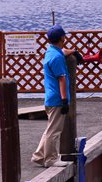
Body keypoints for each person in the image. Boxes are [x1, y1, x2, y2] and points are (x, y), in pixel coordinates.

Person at [31, 25, 72, 168]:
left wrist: (74, 52)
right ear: (62, 38)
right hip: (57, 99)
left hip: (50, 97)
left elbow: (63, 51)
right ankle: (51, 159)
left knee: (50, 129)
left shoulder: (51, 52)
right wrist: (64, 100)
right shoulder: (57, 58)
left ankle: (39, 156)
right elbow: (62, 79)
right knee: (54, 131)